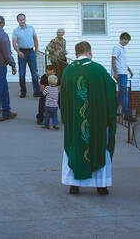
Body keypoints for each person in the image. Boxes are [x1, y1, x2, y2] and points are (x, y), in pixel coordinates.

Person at [61, 41, 116, 195]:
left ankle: (73, 184)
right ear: (90, 52)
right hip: (96, 119)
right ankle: (101, 185)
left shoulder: (67, 71)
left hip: (74, 120)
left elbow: (63, 98)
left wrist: (68, 117)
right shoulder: (97, 69)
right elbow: (111, 90)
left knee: (75, 147)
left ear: (76, 53)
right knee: (98, 146)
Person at [12, 13, 40, 98]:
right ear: (17, 21)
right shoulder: (16, 31)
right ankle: (23, 91)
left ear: (25, 19)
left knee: (34, 73)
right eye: (20, 20)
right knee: (22, 73)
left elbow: (35, 40)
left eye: (23, 19)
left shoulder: (31, 28)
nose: (22, 21)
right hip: (22, 53)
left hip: (31, 52)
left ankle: (36, 91)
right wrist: (18, 52)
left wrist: (36, 51)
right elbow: (14, 43)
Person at [111, 32, 135, 121]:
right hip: (120, 73)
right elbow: (113, 60)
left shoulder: (123, 49)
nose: (126, 42)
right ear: (121, 38)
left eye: (127, 41)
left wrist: (130, 71)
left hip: (124, 72)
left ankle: (113, 110)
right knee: (125, 94)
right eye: (125, 40)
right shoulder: (116, 48)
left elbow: (123, 62)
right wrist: (115, 73)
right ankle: (127, 115)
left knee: (121, 94)